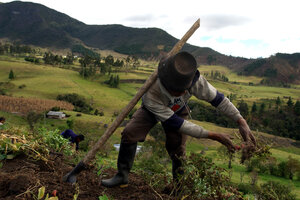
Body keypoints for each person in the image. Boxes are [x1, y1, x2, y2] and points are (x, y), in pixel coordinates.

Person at [101, 51, 256, 188]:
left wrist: (241, 121)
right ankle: (122, 176)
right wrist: (214, 136)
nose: (183, 93)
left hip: (178, 109)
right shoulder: (152, 92)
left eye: (185, 90)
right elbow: (177, 124)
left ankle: (178, 185)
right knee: (130, 133)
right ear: (167, 84)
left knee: (177, 147)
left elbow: (219, 100)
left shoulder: (192, 80)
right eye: (178, 91)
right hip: (153, 110)